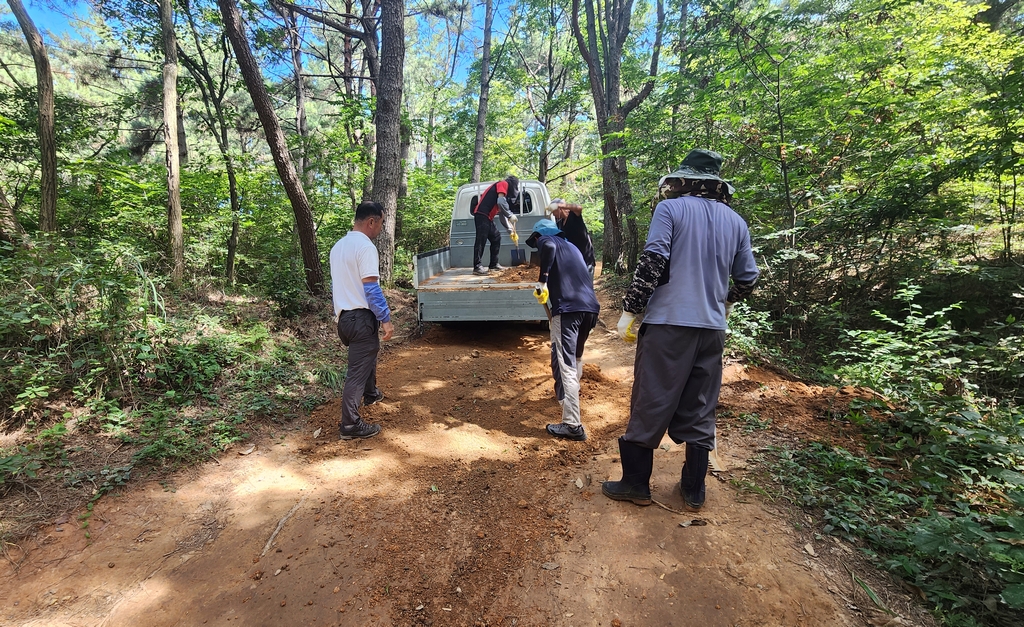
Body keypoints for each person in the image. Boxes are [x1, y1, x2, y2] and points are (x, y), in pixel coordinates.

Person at [603, 149, 759, 509]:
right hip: (711, 328)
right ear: (717, 184)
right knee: (701, 405)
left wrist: (631, 309)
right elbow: (749, 278)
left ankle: (636, 484)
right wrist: (727, 300)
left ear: (685, 179)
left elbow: (654, 260)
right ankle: (693, 490)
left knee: (652, 399)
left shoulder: (669, 209)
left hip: (668, 325)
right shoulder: (736, 222)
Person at [527, 219, 600, 441]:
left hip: (567, 310)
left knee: (565, 364)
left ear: (539, 236)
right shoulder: (572, 247)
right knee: (575, 358)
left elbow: (547, 247)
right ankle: (567, 400)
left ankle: (572, 424)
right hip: (590, 309)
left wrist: (543, 282)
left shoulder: (548, 241)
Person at [329, 201, 395, 440]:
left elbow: (336, 285)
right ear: (371, 221)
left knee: (367, 352)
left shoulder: (338, 247)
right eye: (381, 223)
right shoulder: (365, 247)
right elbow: (371, 288)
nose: (381, 229)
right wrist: (385, 319)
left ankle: (371, 393)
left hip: (344, 319)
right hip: (360, 318)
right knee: (356, 371)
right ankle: (350, 425)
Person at [472, 175, 520, 275]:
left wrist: (510, 230)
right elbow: (501, 202)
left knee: (496, 237)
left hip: (488, 217)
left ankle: (493, 264)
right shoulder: (503, 183)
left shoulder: (502, 195)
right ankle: (477, 266)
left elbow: (502, 215)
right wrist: (510, 214)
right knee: (481, 240)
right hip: (482, 214)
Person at [546, 199, 596, 275]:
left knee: (586, 286)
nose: (553, 215)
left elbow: (579, 207)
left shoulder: (574, 215)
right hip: (574, 260)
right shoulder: (560, 223)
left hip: (585, 258)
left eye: (553, 212)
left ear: (559, 209)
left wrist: (559, 205)